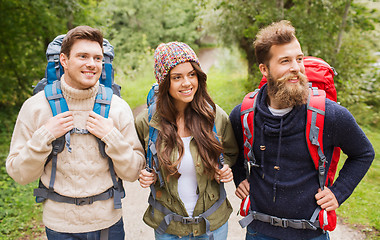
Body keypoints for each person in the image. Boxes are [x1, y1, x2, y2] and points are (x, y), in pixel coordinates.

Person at [229, 20, 375, 240]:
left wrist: (338, 192)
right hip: (259, 231)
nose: (296, 67)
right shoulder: (245, 114)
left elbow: (363, 153)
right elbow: (232, 152)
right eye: (285, 61)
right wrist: (240, 177)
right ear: (264, 69)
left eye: (299, 58)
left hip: (310, 233)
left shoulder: (330, 114)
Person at [6, 26, 145, 239]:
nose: (91, 64)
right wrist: (44, 136)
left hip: (108, 224)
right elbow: (19, 173)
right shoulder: (35, 107)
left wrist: (112, 137)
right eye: (82, 56)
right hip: (60, 226)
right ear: (64, 60)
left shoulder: (117, 107)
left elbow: (134, 172)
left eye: (97, 58)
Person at [135, 41, 238, 240]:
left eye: (192, 74)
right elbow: (137, 159)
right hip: (169, 229)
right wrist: (144, 172)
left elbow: (231, 153)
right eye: (177, 77)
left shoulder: (215, 116)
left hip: (212, 227)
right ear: (164, 82)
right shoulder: (146, 122)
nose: (187, 83)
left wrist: (223, 168)